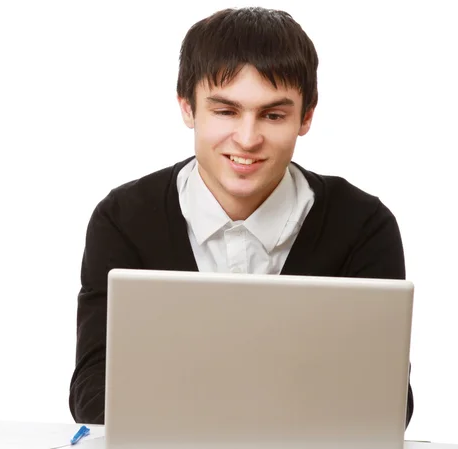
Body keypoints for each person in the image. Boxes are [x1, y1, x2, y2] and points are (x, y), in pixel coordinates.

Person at [69, 6, 414, 427]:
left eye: (273, 115)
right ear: (187, 108)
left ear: (306, 117)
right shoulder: (122, 220)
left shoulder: (363, 226)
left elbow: (388, 401)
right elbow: (92, 394)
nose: (248, 140)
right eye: (225, 111)